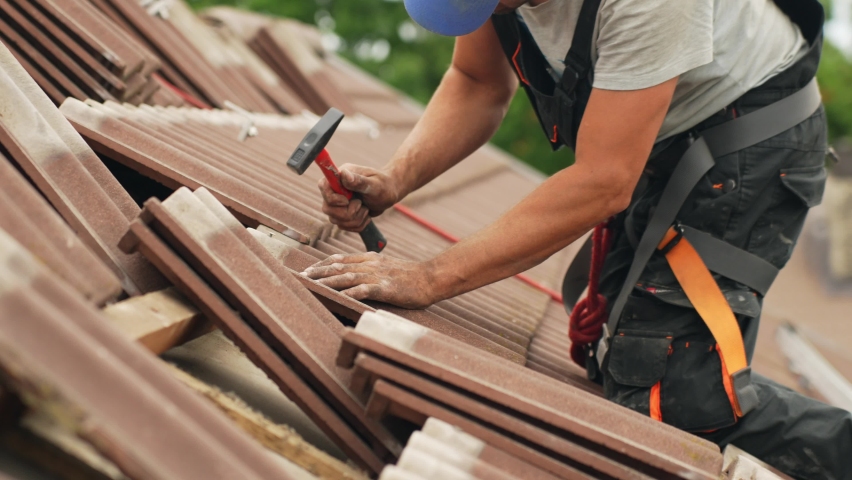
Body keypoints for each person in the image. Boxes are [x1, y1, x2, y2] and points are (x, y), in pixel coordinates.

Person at [302, 0, 852, 476]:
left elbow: (603, 180)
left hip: (751, 140)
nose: (488, 13)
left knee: (672, 396)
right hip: (663, 135)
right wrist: (396, 178)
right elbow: (478, 81)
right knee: (610, 350)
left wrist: (427, 278)